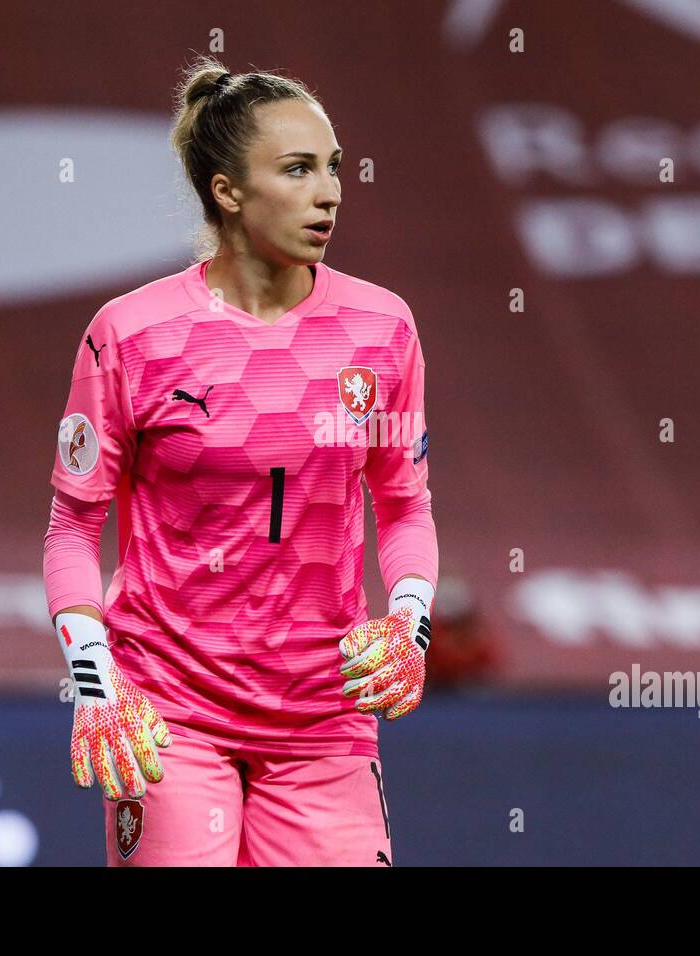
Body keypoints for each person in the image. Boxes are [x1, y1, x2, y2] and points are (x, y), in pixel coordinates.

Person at [41, 56, 438, 866]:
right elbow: (72, 531)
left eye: (332, 168)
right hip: (169, 711)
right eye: (297, 170)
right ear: (227, 191)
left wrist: (410, 625)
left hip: (324, 713)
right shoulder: (131, 333)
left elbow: (403, 503)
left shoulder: (383, 329)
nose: (329, 191)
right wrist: (96, 686)